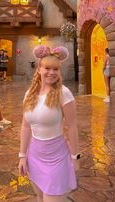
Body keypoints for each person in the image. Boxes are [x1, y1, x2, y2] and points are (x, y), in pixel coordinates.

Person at [18, 45, 79, 202]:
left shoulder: (64, 93)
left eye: (56, 69)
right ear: (39, 68)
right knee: (40, 197)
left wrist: (75, 157)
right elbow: (25, 126)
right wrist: (22, 156)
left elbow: (72, 127)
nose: (51, 72)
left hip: (57, 157)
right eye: (47, 68)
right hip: (35, 155)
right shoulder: (30, 93)